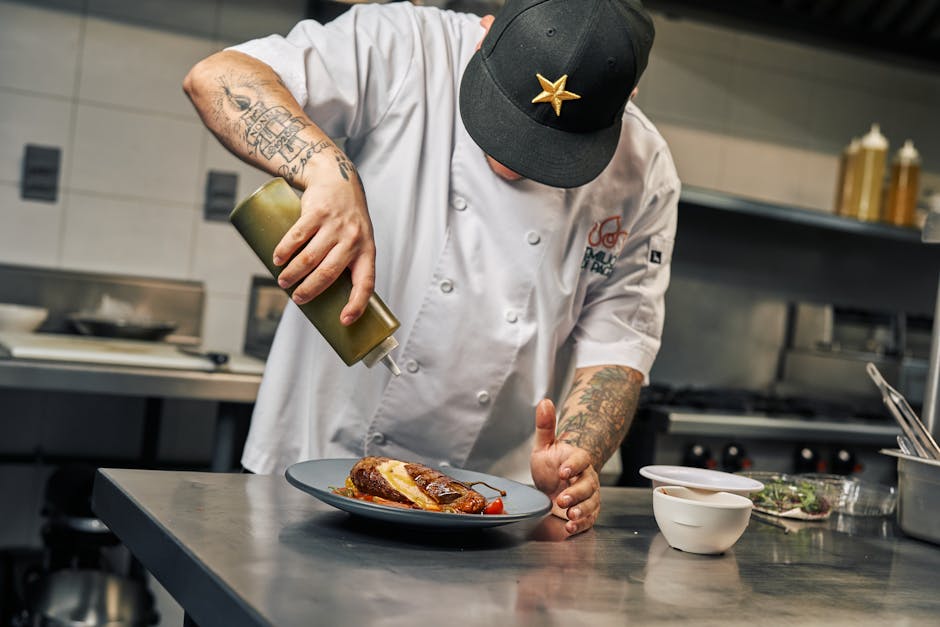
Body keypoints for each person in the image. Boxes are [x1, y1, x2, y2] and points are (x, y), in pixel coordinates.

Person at [183, 0, 678, 536]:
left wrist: (575, 457)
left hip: (494, 505)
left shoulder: (645, 172)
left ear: (626, 98)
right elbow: (218, 76)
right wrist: (324, 169)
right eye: (500, 113)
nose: (511, 158)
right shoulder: (405, 43)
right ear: (486, 33)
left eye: (552, 151)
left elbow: (616, 348)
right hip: (313, 468)